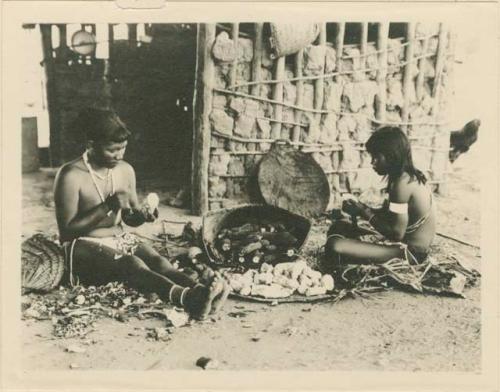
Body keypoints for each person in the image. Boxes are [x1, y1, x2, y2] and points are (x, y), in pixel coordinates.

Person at [54, 108, 229, 320]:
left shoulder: (125, 170)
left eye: (123, 148)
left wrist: (144, 215)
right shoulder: (71, 175)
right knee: (132, 264)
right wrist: (107, 206)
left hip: (119, 238)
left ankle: (203, 291)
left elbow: (129, 218)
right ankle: (187, 299)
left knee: (157, 261)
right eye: (112, 150)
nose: (119, 155)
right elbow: (67, 232)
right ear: (91, 145)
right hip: (81, 245)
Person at [325, 126, 436, 267]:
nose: (373, 162)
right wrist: (362, 208)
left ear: (391, 156)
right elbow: (392, 217)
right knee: (340, 226)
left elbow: (396, 233)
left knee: (335, 245)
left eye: (377, 157)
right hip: (403, 245)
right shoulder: (405, 177)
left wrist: (364, 212)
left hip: (411, 254)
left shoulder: (402, 184)